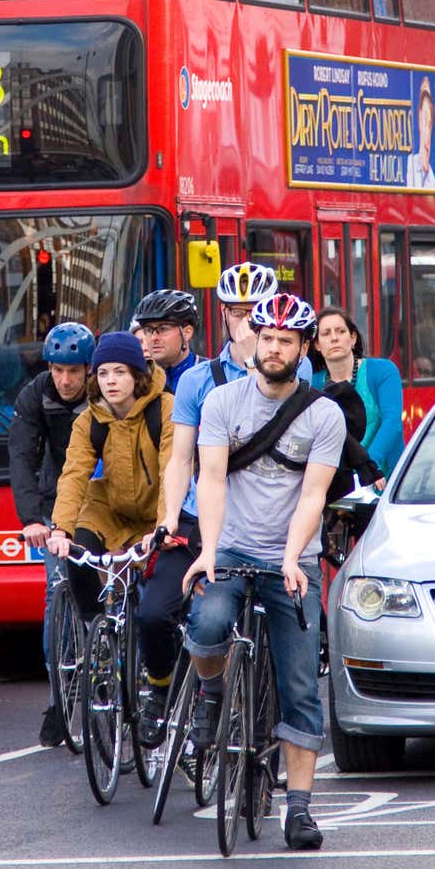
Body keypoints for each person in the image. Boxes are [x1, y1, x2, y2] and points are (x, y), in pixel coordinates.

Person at [181, 294, 346, 850]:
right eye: (266, 337)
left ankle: (298, 809)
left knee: (300, 684)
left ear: (304, 349)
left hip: (291, 560)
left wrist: (291, 557)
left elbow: (314, 495)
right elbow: (210, 478)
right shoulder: (222, 403)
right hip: (228, 549)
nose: (273, 348)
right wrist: (207, 550)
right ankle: (210, 693)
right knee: (206, 626)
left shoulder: (324, 414)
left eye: (285, 341)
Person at [142, 261, 280, 743]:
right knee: (172, 613)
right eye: (235, 313)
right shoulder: (200, 379)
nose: (244, 323)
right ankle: (204, 690)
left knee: (297, 638)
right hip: (208, 521)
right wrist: (169, 517)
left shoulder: (296, 370)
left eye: (253, 313)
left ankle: (276, 734)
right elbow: (180, 460)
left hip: (272, 524)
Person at [46, 333, 175, 624]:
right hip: (110, 510)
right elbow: (74, 474)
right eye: (103, 373)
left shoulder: (165, 409)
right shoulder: (88, 420)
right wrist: (60, 530)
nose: (110, 381)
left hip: (157, 514)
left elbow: (172, 470)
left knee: (159, 606)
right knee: (78, 551)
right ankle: (96, 629)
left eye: (120, 372)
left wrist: (165, 525)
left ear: (137, 375)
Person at [13, 322, 96, 747]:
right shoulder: (36, 394)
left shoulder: (105, 389)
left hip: (101, 499)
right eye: (57, 370)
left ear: (88, 370)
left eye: (74, 371)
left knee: (108, 592)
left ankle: (108, 675)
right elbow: (22, 456)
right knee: (56, 592)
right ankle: (59, 699)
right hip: (53, 501)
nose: (65, 380)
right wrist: (31, 518)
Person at [310, 305, 405, 479]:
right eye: (326, 333)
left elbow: (392, 423)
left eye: (340, 331)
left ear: (352, 338)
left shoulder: (382, 371)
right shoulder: (313, 383)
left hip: (385, 478)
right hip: (336, 483)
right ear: (316, 344)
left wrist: (370, 465)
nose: (334, 338)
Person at [133, 288, 203, 392]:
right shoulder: (139, 381)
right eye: (148, 330)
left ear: (187, 332)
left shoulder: (209, 376)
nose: (154, 337)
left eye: (163, 329)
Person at [408, 77, 435, 190]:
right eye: (424, 121)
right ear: (419, 121)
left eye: (430, 124)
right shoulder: (410, 164)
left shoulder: (432, 179)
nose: (427, 131)